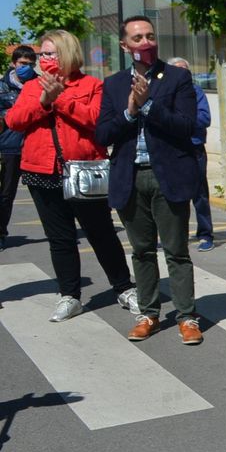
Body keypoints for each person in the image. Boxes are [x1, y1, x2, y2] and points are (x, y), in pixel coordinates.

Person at [5, 31, 135, 321]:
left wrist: (61, 99)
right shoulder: (31, 86)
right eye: (42, 55)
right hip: (42, 171)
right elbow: (13, 120)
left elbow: (95, 120)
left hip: (83, 169)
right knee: (60, 238)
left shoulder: (91, 85)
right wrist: (43, 100)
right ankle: (70, 295)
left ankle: (124, 287)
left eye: (50, 54)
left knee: (101, 234)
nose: (44, 59)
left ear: (67, 53)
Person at [96, 16, 201, 344]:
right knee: (141, 251)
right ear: (125, 46)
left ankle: (186, 316)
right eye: (138, 38)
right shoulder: (113, 84)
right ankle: (149, 313)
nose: (146, 43)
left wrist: (149, 105)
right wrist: (129, 110)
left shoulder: (177, 78)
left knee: (176, 251)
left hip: (166, 176)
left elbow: (187, 126)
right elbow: (102, 133)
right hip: (130, 178)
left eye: (150, 36)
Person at [166, 57, 214, 252]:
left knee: (200, 194)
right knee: (175, 196)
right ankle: (178, 235)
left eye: (185, 71)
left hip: (194, 149)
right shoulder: (165, 93)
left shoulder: (196, 91)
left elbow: (204, 118)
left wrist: (178, 121)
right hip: (172, 150)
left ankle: (205, 234)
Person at [0, 45, 37, 250]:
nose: (28, 68)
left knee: (47, 194)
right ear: (14, 63)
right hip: (9, 147)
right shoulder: (2, 87)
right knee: (6, 194)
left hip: (34, 147)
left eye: (31, 64)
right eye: (23, 64)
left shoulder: (40, 84)